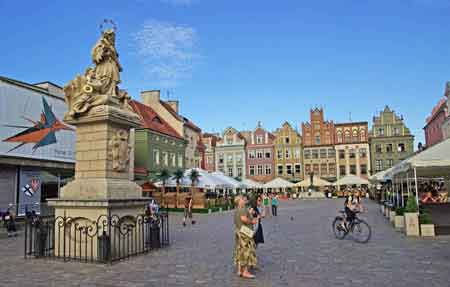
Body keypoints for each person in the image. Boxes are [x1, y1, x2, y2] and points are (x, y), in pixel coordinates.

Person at [233, 195, 258, 279]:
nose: (244, 200)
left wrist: (249, 213)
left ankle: (239, 270)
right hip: (245, 232)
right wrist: (252, 221)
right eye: (243, 199)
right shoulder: (242, 209)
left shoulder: (237, 209)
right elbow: (244, 219)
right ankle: (245, 272)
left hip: (239, 231)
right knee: (247, 251)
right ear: (239, 201)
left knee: (240, 250)